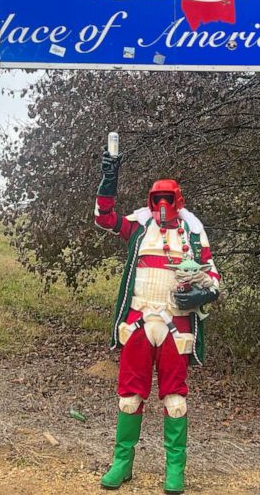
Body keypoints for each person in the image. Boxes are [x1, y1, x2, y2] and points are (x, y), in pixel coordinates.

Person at [93, 149, 221, 494]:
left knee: (175, 399)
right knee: (129, 397)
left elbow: (213, 279)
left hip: (175, 326)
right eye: (157, 199)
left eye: (168, 199)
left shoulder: (193, 234)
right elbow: (104, 218)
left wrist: (201, 295)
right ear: (151, 201)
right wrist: (109, 180)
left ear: (177, 201)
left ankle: (174, 469)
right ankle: (122, 462)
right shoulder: (139, 226)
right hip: (137, 321)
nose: (162, 205)